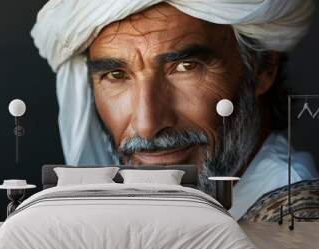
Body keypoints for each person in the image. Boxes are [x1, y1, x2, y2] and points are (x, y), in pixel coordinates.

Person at [31, 0, 318, 220]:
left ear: (262, 69)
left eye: (185, 67)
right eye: (117, 75)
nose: (146, 124)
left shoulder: (296, 220)